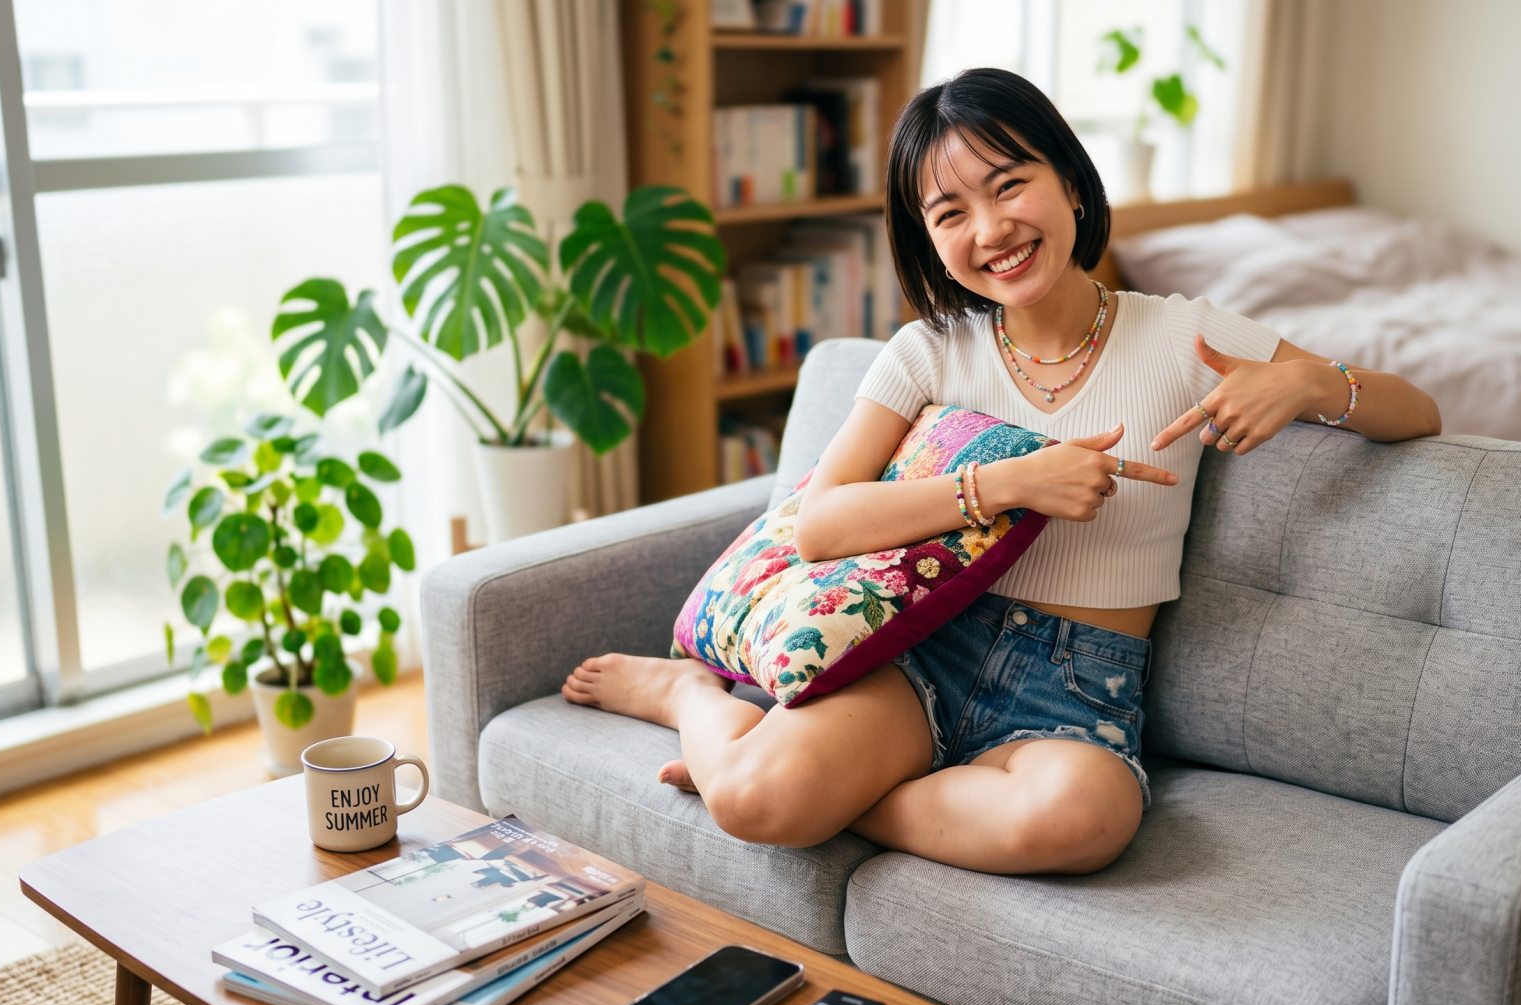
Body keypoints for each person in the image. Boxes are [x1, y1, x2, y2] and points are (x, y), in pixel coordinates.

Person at [564, 68, 1442, 875]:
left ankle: (823, 787)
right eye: (950, 213)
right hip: (918, 651)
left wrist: (1313, 382)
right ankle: (689, 697)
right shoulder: (927, 353)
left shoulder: (1184, 335)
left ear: (1070, 181)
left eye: (1010, 184)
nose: (990, 231)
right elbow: (820, 526)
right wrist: (1007, 485)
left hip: (1076, 682)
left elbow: (1416, 412)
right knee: (755, 802)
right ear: (928, 238)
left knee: (1081, 822)